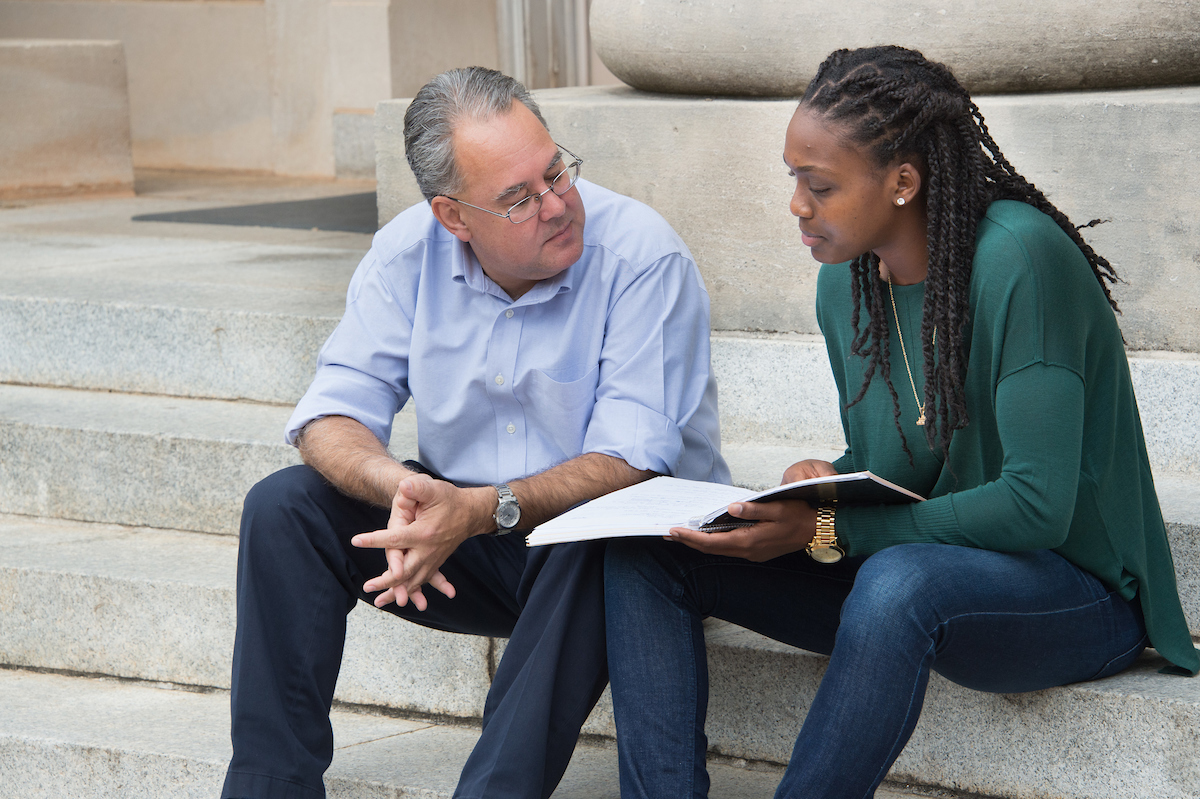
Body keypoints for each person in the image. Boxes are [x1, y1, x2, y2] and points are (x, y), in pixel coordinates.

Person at [604, 45, 1199, 799]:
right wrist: (818, 491)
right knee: (651, 554)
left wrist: (834, 532)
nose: (797, 204)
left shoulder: (1022, 261)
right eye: (793, 179)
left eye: (819, 185)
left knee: (895, 580)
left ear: (903, 182)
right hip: (925, 564)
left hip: (1078, 592)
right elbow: (899, 460)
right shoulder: (846, 287)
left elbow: (1036, 505)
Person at [219, 66, 729, 799]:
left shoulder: (642, 257)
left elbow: (632, 462)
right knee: (284, 506)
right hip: (470, 541)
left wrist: (483, 508)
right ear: (453, 217)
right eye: (519, 198)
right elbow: (328, 416)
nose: (556, 205)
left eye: (556, 172)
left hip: (626, 562)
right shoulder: (407, 252)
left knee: (595, 530)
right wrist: (404, 488)